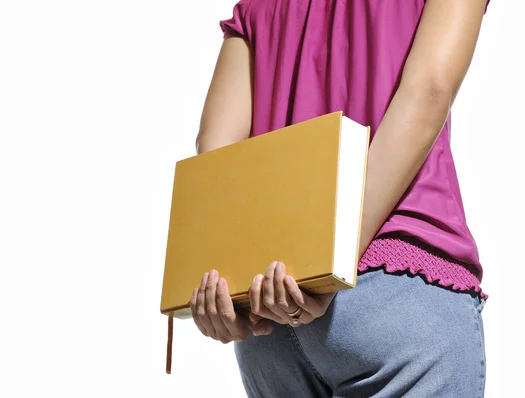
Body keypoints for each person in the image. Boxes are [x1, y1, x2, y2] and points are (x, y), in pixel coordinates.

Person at [190, 0, 491, 396]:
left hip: (271, 310)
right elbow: (429, 90)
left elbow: (215, 149)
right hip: (394, 283)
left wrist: (224, 290)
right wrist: (332, 258)